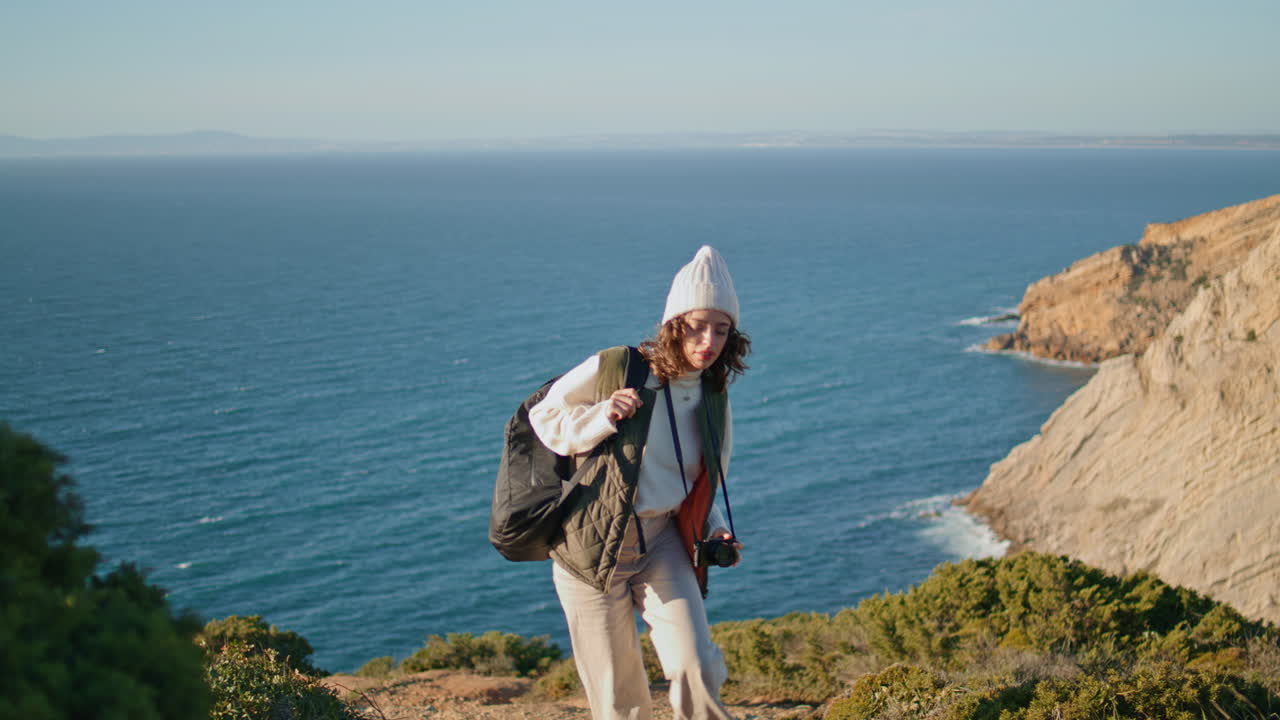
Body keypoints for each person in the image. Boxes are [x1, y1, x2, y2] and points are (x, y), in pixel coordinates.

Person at [529, 245, 751, 720]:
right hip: (589, 546)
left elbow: (700, 481)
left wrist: (711, 527)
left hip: (663, 539)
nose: (707, 340)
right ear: (674, 324)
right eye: (696, 325)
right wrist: (600, 417)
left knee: (698, 667)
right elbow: (543, 416)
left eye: (721, 328)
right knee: (618, 696)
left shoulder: (713, 394)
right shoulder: (617, 367)